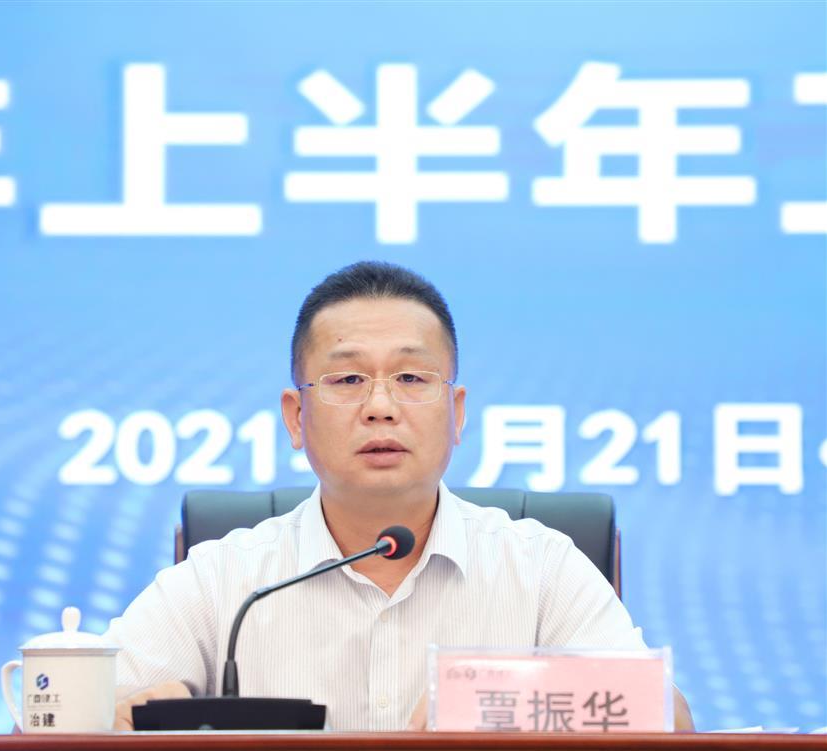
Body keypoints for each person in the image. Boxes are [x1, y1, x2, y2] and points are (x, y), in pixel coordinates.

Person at [107, 261, 694, 732]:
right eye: (347, 380)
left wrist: (498, 702)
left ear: (456, 413)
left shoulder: (541, 569)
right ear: (295, 416)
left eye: (412, 378)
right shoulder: (223, 582)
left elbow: (669, 719)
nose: (381, 406)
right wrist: (124, 712)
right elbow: (79, 712)